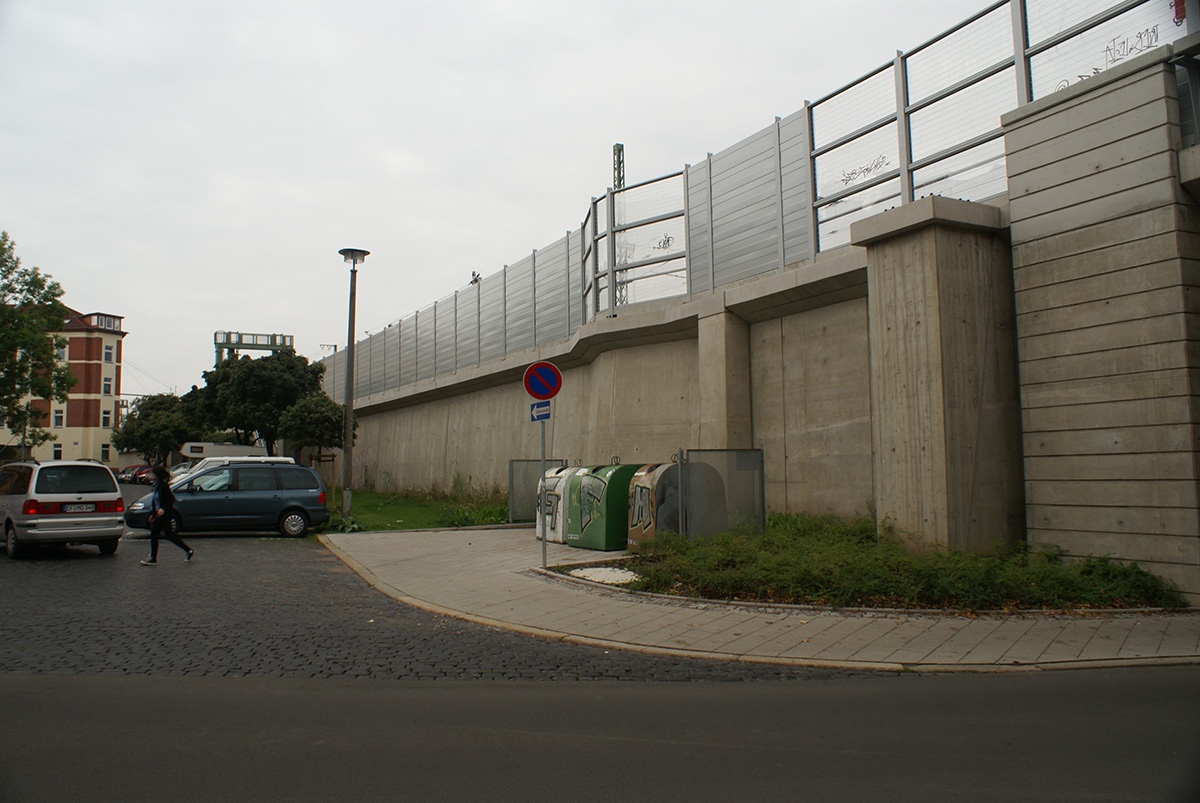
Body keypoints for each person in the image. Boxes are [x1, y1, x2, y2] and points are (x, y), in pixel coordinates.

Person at [140, 466, 194, 565]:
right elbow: (155, 502)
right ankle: (188, 550)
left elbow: (171, 499)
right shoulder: (156, 486)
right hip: (160, 514)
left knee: (154, 533)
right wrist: (153, 514)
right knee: (170, 535)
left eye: (153, 474)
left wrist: (163, 509)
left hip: (165, 515)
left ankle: (153, 558)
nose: (151, 475)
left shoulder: (163, 486)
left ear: (157, 475)